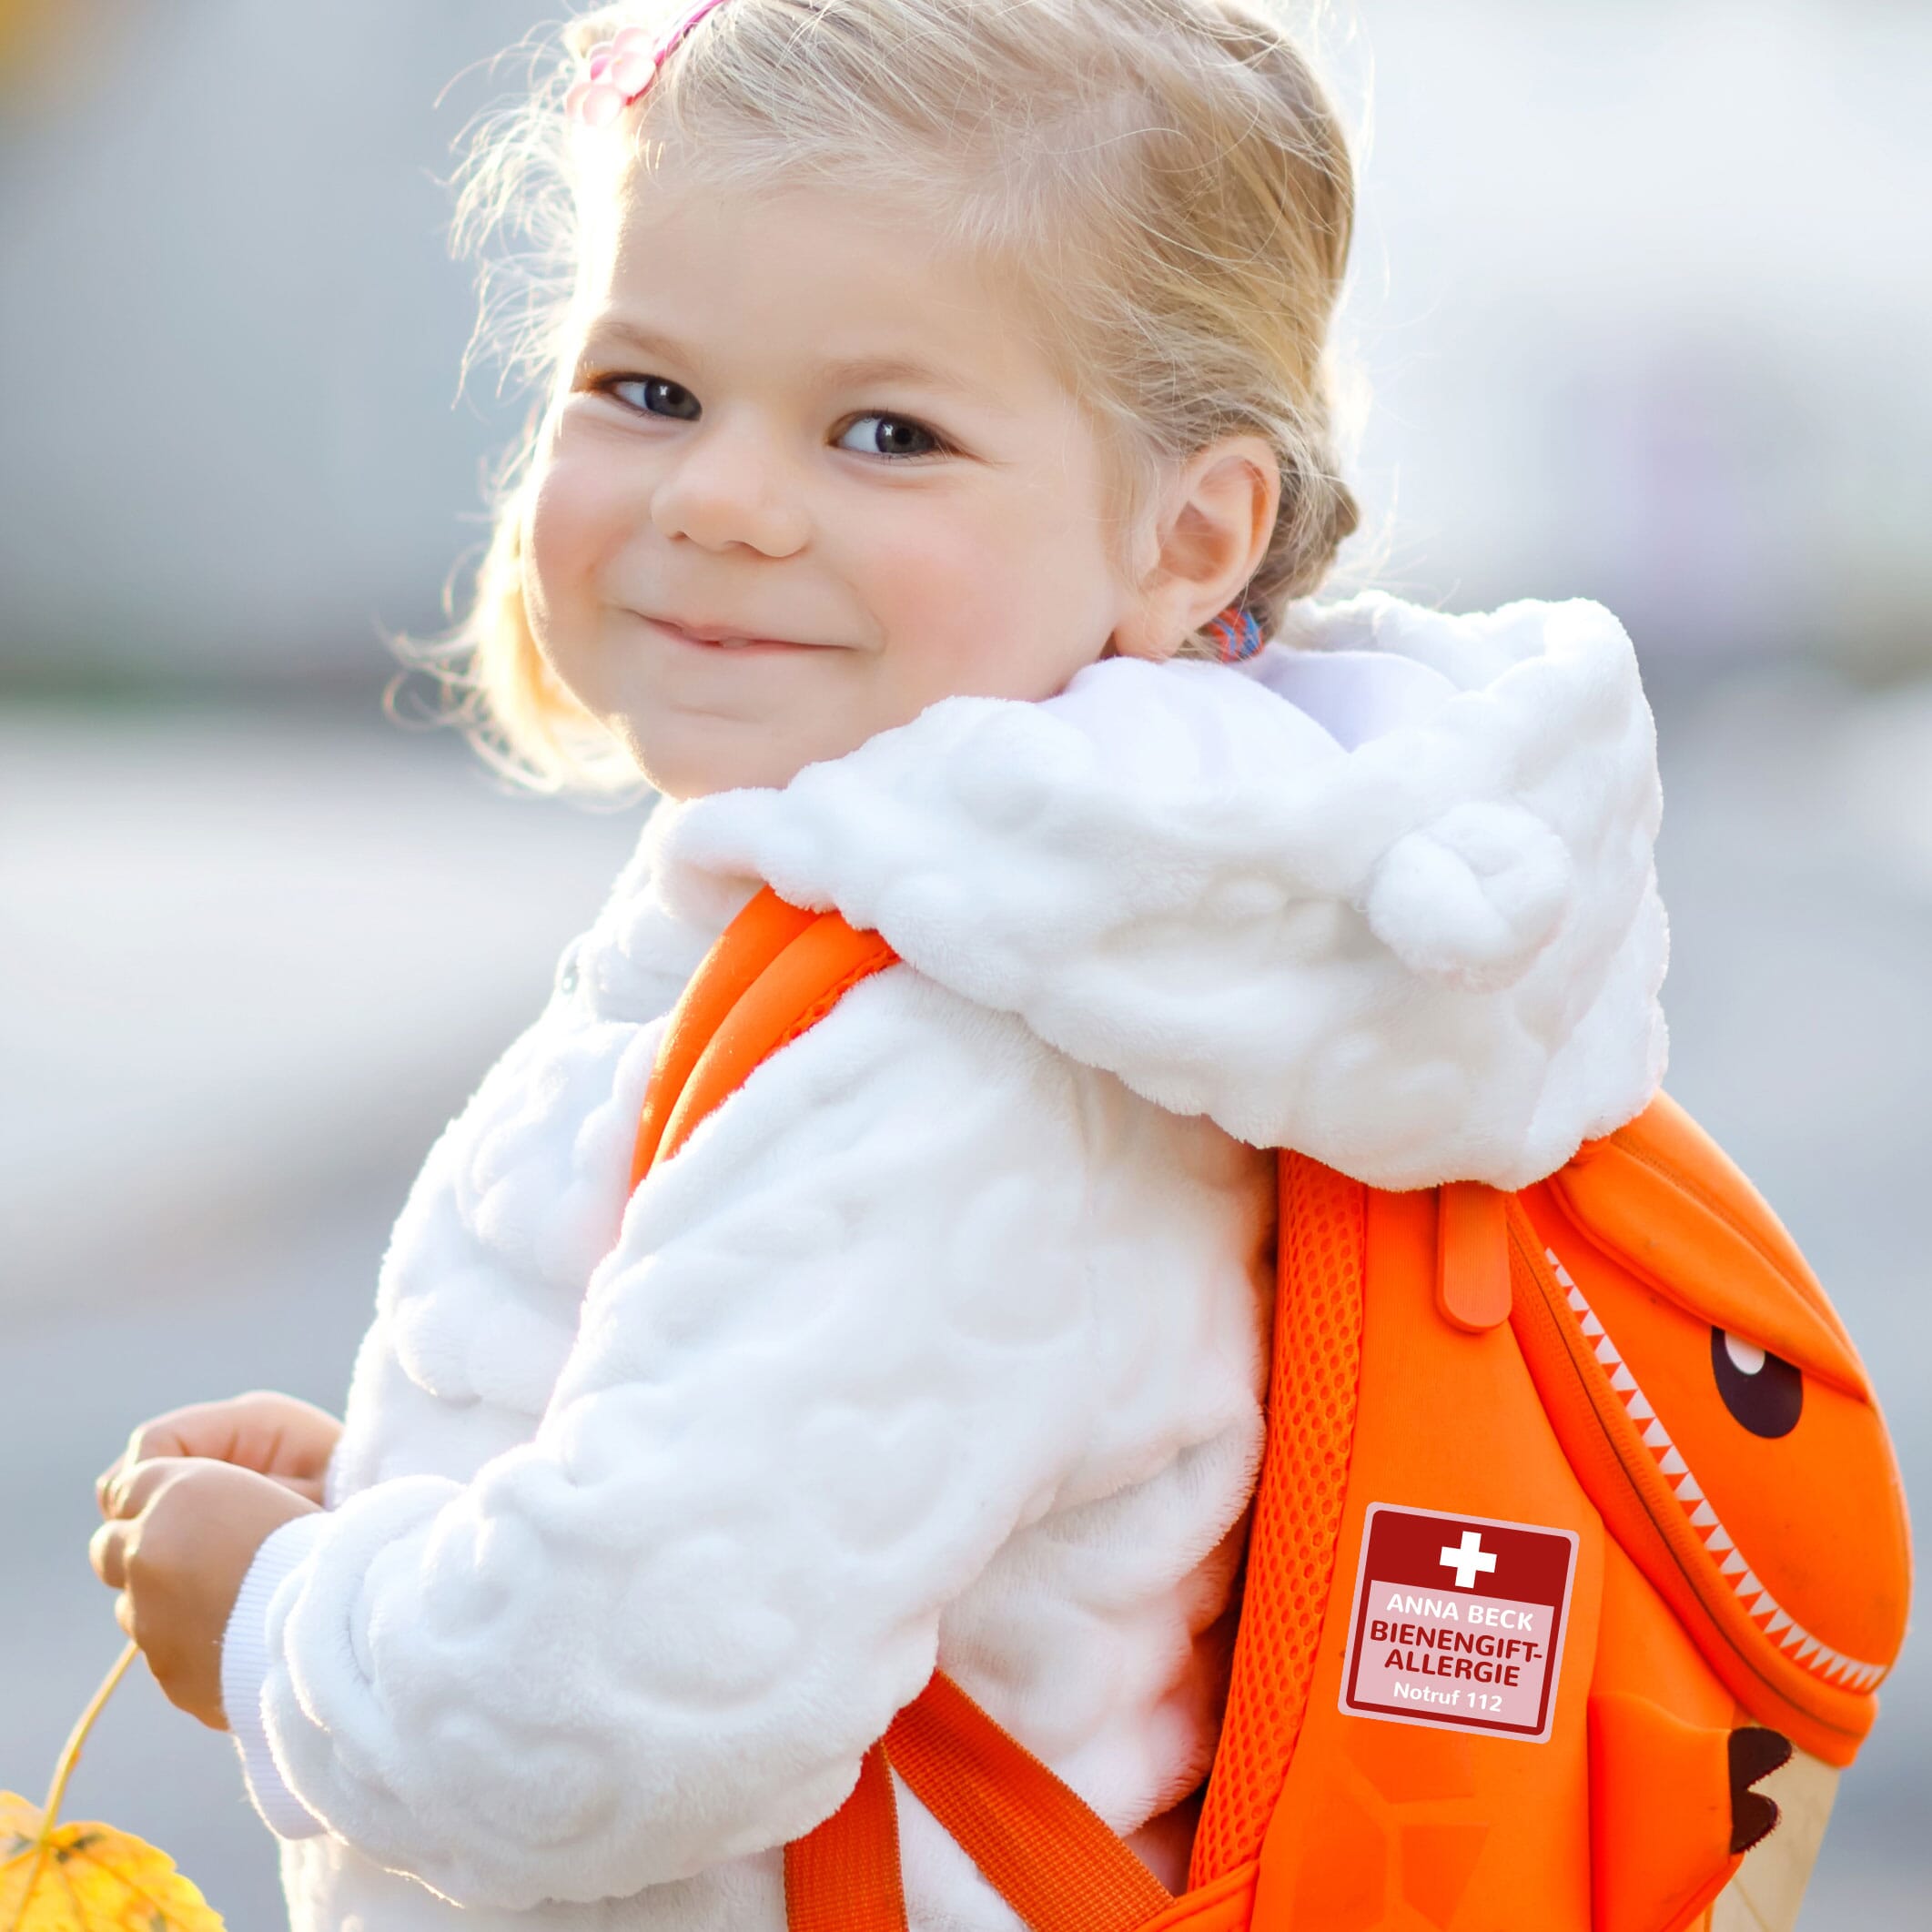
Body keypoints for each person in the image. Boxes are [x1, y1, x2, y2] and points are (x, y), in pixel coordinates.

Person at [87, 2, 1678, 1926]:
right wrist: (420, 1503)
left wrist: (274, 1615)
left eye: (887, 432)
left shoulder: (965, 1058)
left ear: (1191, 535)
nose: (724, 500)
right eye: (652, 391)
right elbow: (830, 1546)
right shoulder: (1002, 957)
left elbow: (617, 1714)